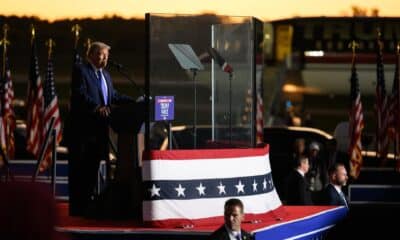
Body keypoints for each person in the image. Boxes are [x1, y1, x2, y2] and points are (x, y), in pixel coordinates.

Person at [68, 41, 134, 217]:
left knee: (93, 169)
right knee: (82, 171)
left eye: (106, 55)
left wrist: (135, 101)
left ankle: (88, 207)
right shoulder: (81, 70)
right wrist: (97, 108)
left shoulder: (105, 74)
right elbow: (80, 94)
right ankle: (77, 209)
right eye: (100, 54)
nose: (104, 58)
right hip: (84, 131)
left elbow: (113, 96)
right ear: (90, 55)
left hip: (101, 131)